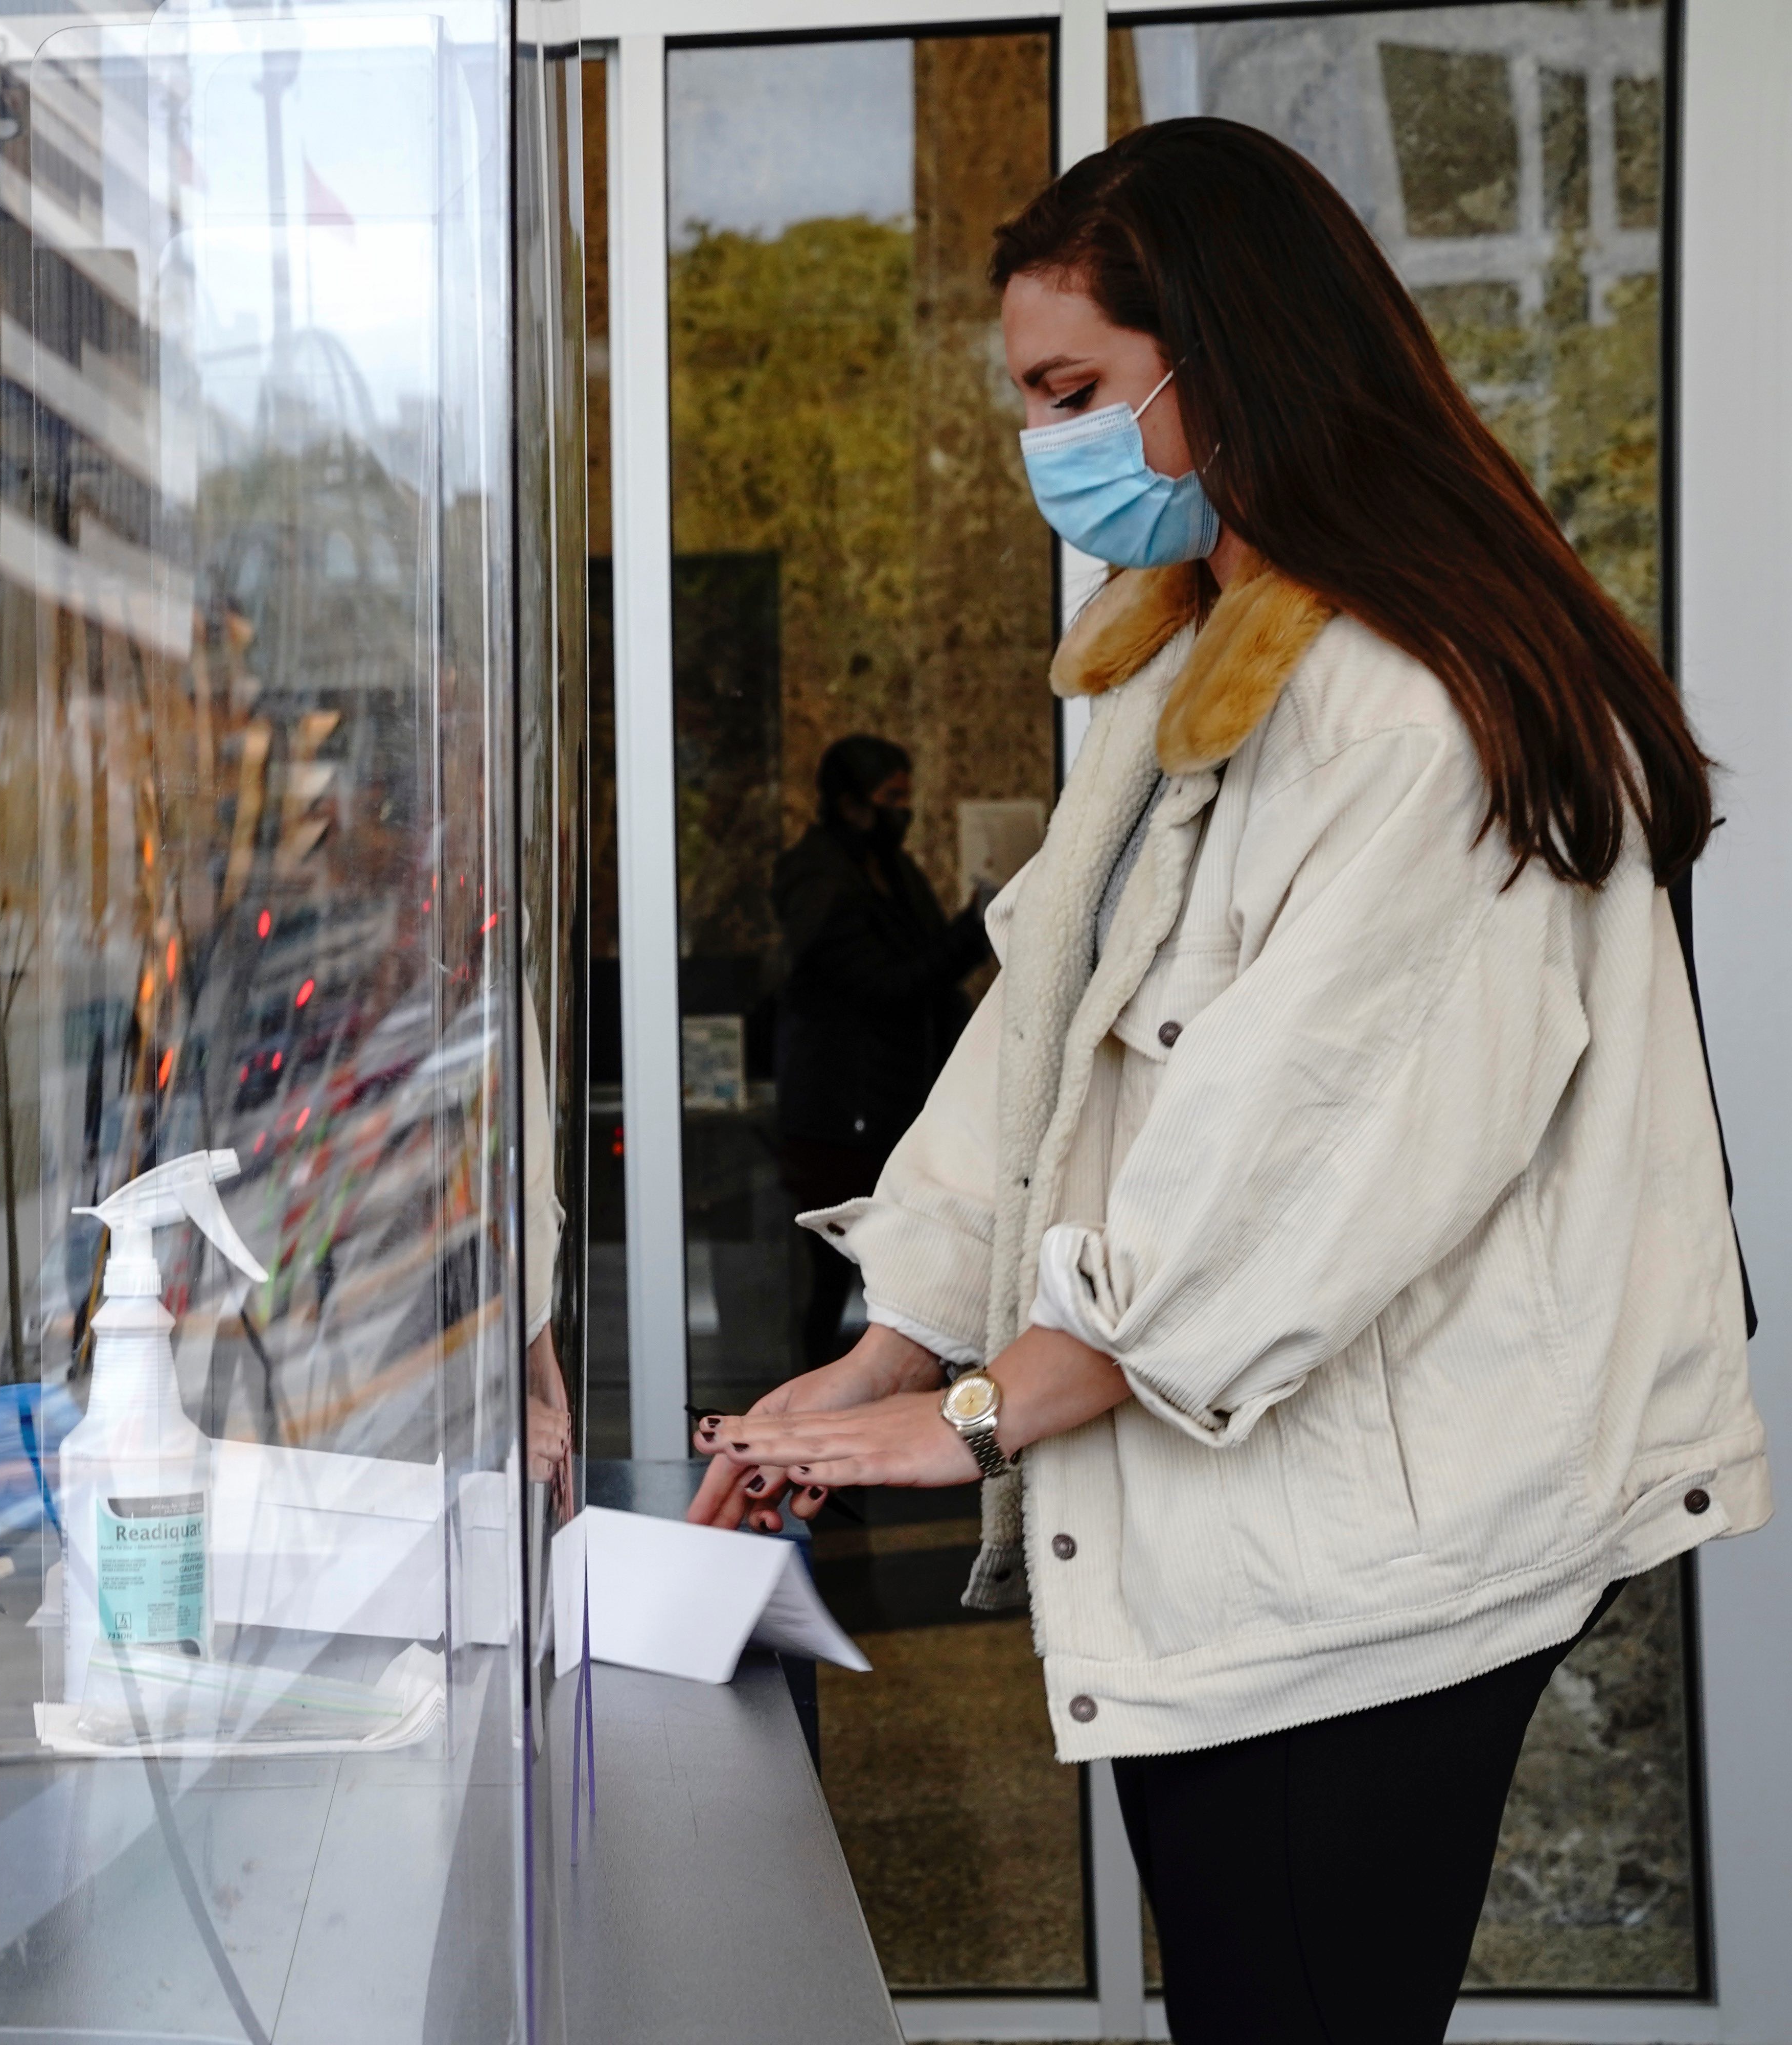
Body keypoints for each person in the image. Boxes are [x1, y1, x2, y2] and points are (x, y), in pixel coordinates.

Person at [685, 118, 1764, 2043]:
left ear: (1228, 363)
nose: (1043, 446)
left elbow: (1293, 1155)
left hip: (1367, 1547)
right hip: (1258, 1514)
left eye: (1072, 392)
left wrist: (976, 1412)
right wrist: (887, 1341)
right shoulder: (1186, 675)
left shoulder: (1418, 710)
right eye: (1028, 400)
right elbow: (1037, 1034)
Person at [768, 735, 992, 1373]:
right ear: (851, 803)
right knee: (835, 1283)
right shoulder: (820, 879)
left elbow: (922, 967)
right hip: (842, 1115)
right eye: (891, 797)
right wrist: (971, 930)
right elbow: (883, 984)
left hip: (889, 1103)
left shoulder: (888, 867)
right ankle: (820, 1401)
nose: (904, 810)